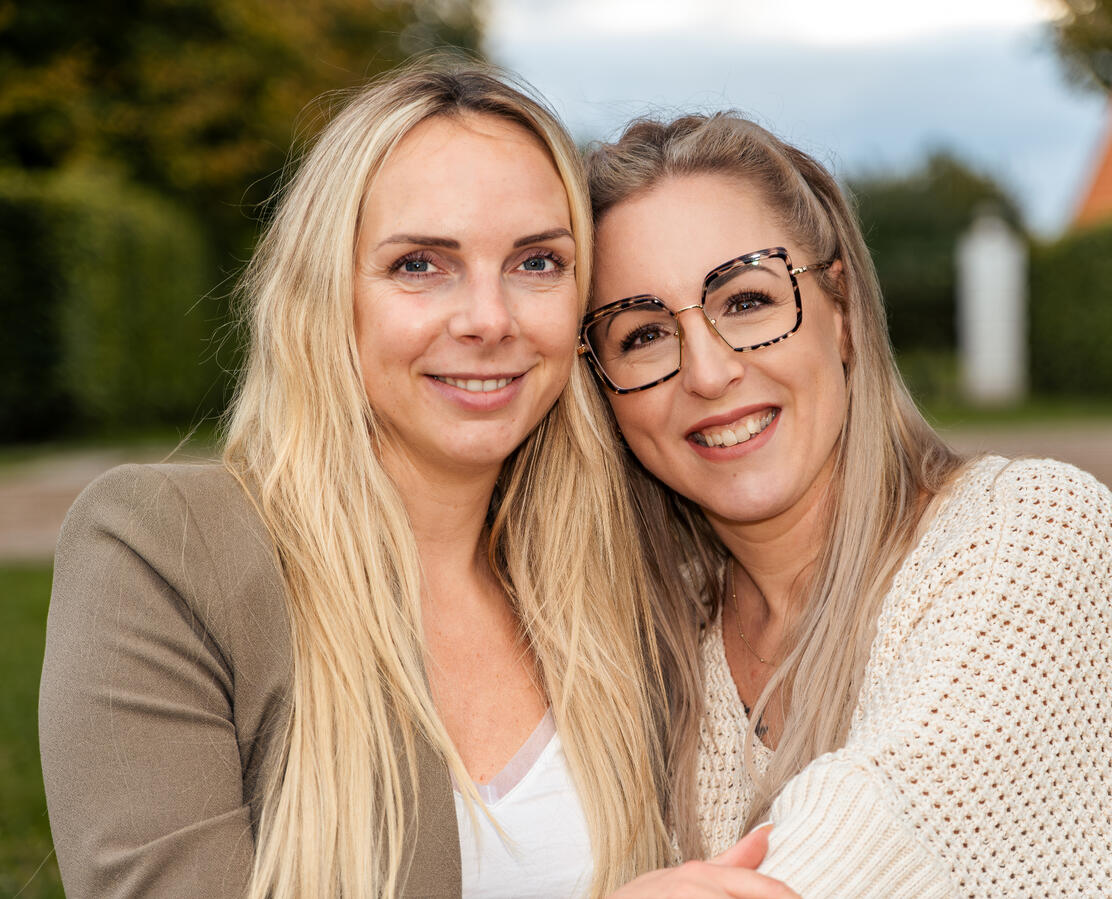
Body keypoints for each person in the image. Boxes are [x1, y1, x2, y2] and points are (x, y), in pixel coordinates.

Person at [40, 62, 700, 899]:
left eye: (537, 262)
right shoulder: (167, 548)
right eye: (421, 264)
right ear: (326, 293)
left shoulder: (625, 575)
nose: (489, 320)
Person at [581, 112, 1112, 896]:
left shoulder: (1036, 532)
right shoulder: (650, 641)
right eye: (644, 334)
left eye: (747, 300)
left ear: (843, 310)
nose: (709, 371)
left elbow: (892, 814)